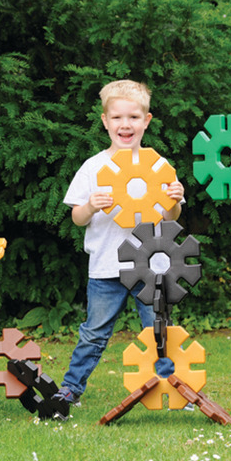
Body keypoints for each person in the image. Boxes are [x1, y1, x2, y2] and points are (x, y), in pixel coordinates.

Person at [54, 80, 185, 407]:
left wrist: (175, 199)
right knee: (94, 333)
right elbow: (77, 218)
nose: (125, 125)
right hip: (105, 267)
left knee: (158, 330)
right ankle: (71, 389)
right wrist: (91, 206)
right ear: (105, 121)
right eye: (117, 118)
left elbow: (171, 218)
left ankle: (170, 386)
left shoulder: (158, 165)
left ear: (147, 121)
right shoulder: (93, 167)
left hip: (151, 266)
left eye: (133, 117)